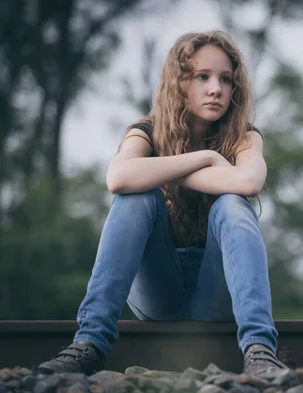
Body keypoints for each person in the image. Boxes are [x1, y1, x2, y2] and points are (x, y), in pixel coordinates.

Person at [37, 31, 287, 376]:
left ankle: (260, 350)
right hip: (158, 293)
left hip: (214, 293)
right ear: (178, 82)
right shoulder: (146, 131)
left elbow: (248, 182)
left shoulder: (244, 136)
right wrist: (207, 159)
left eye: (225, 79)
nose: (215, 88)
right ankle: (89, 343)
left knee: (233, 203)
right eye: (202, 76)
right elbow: (119, 178)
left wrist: (164, 169)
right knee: (136, 197)